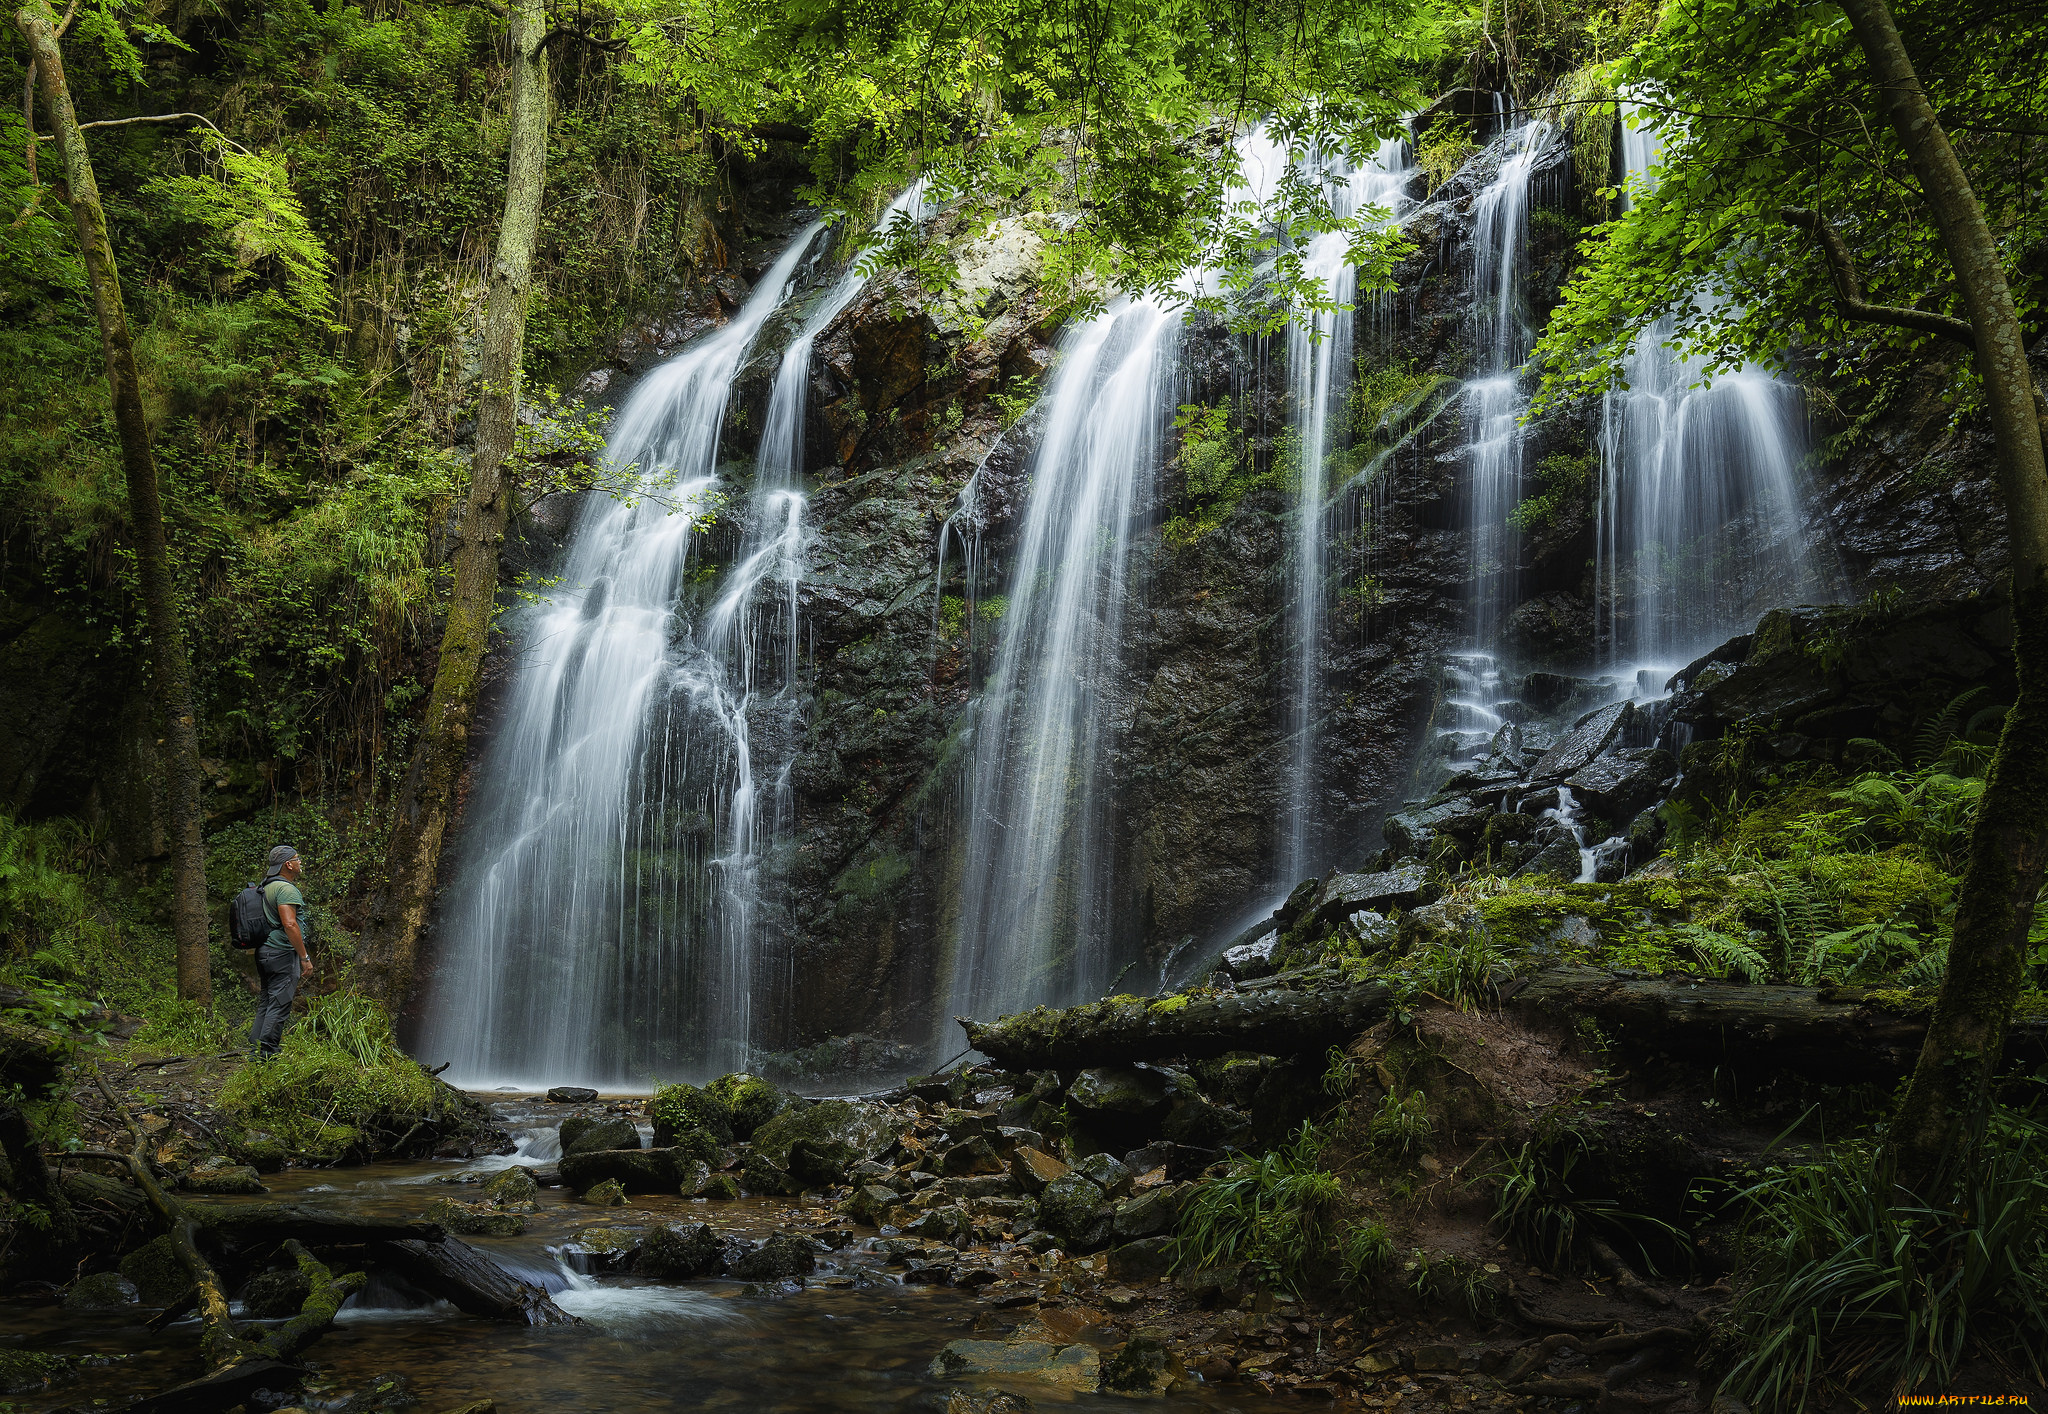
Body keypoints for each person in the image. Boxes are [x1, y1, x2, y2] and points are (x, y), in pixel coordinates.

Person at [252, 845, 314, 1060]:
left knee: (267, 1002)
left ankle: (255, 1051)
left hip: (264, 951)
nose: (300, 862)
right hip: (281, 953)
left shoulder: (264, 886)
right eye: (297, 859)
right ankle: (267, 1055)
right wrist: (304, 957)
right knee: (279, 1004)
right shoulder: (286, 889)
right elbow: (290, 924)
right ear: (288, 864)